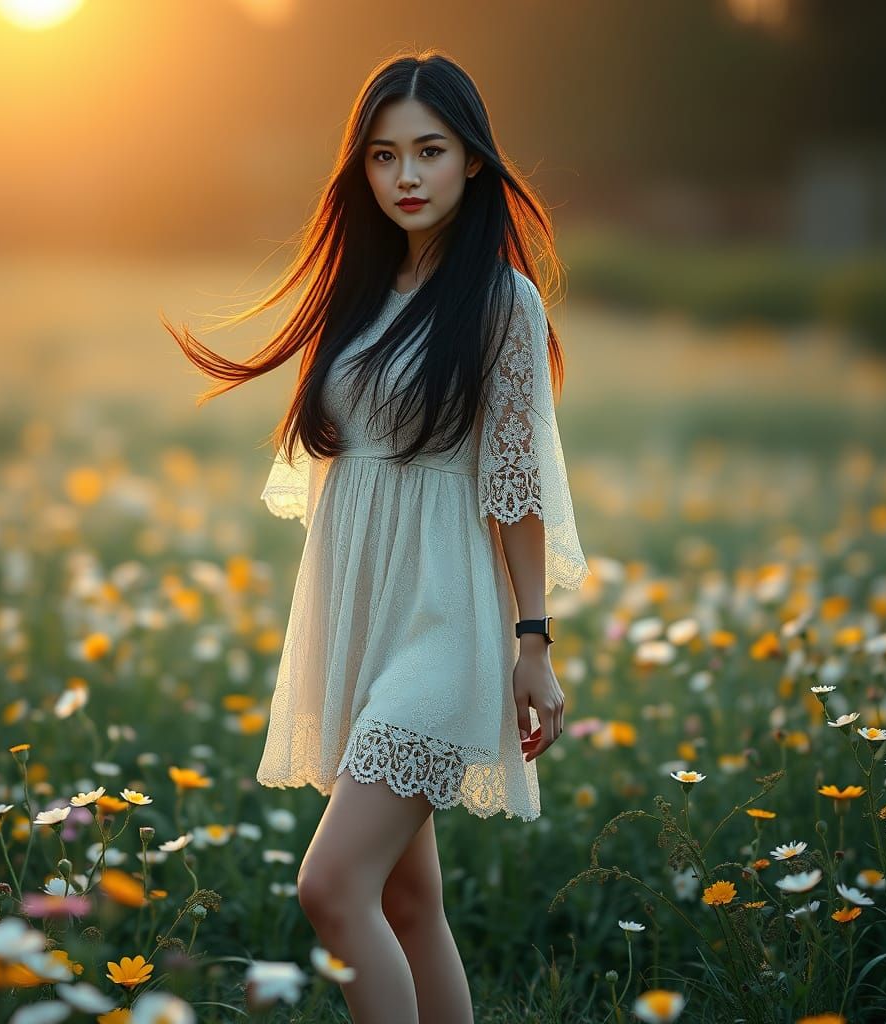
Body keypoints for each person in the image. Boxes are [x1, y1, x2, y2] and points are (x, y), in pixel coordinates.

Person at [162, 47, 590, 1024]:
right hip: (362, 610)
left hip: (447, 619)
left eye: (429, 152)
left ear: (472, 161)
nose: (405, 177)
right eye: (384, 156)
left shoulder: (500, 302)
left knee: (330, 886)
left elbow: (512, 484)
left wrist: (534, 642)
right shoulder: (357, 293)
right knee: (405, 897)